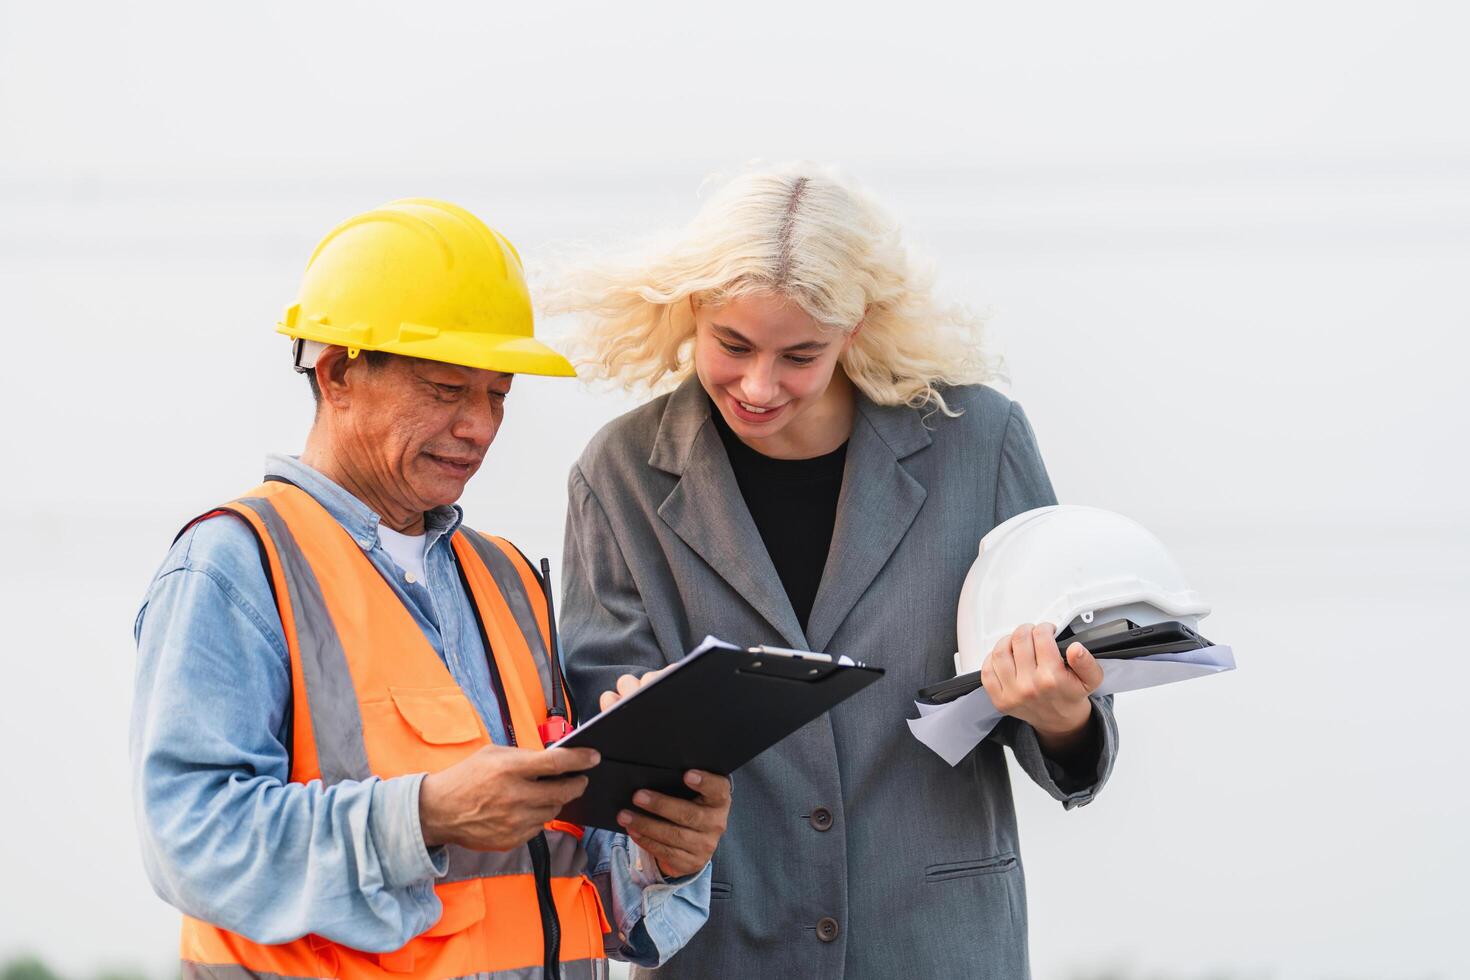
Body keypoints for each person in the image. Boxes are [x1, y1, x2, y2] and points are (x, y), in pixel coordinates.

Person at [130, 199, 731, 980]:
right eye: (447, 389)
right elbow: (192, 842)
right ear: (340, 372)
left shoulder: (509, 581)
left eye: (498, 394)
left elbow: (560, 877)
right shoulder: (235, 567)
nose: (480, 426)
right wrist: (423, 816)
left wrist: (663, 852)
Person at [549, 166, 1119, 979]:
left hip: (937, 944)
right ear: (688, 314)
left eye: (800, 355)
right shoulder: (620, 474)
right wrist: (630, 735)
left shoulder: (979, 439)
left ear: (855, 330)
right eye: (733, 345)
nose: (758, 385)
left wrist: (1064, 717)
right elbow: (599, 741)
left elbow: (1066, 726)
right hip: (723, 952)